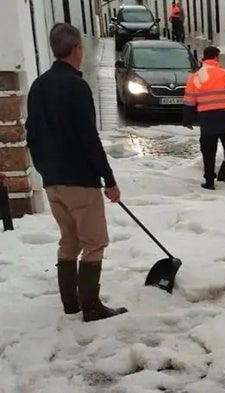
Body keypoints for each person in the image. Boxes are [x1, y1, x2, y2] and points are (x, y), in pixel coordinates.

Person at [25, 23, 128, 322]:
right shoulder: (76, 86)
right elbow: (88, 138)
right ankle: (92, 307)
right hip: (79, 181)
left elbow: (31, 132)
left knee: (69, 241)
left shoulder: (39, 85)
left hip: (53, 181)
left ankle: (71, 303)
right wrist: (109, 180)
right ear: (76, 49)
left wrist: (44, 169)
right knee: (94, 241)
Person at [183, 46, 225, 190]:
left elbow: (189, 100)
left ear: (204, 58)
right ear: (216, 57)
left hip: (206, 118)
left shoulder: (195, 77)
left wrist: (188, 119)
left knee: (209, 151)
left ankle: (209, 180)